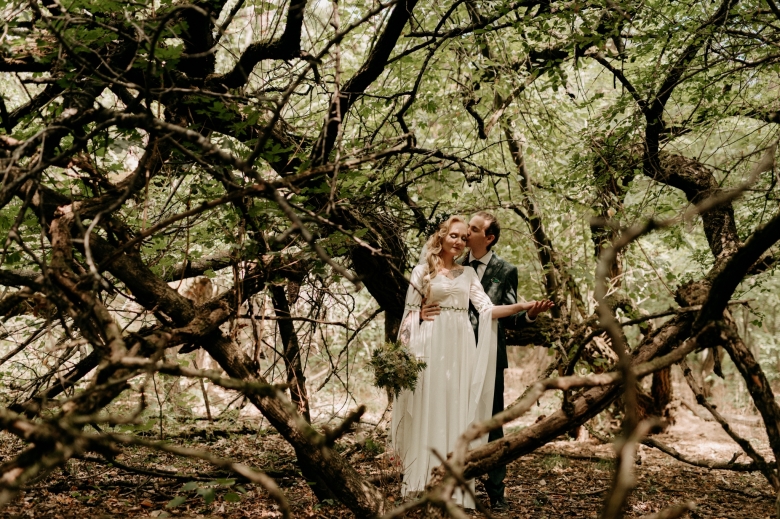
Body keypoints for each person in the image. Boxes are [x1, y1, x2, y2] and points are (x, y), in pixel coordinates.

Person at [390, 215, 550, 508]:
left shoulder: (468, 274)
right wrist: (404, 351)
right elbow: (409, 314)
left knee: (456, 409)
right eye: (454, 235)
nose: (460, 241)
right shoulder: (421, 271)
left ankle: (453, 486)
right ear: (441, 236)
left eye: (464, 237)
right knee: (430, 405)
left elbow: (487, 309)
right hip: (431, 343)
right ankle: (421, 482)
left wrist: (523, 306)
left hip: (461, 349)